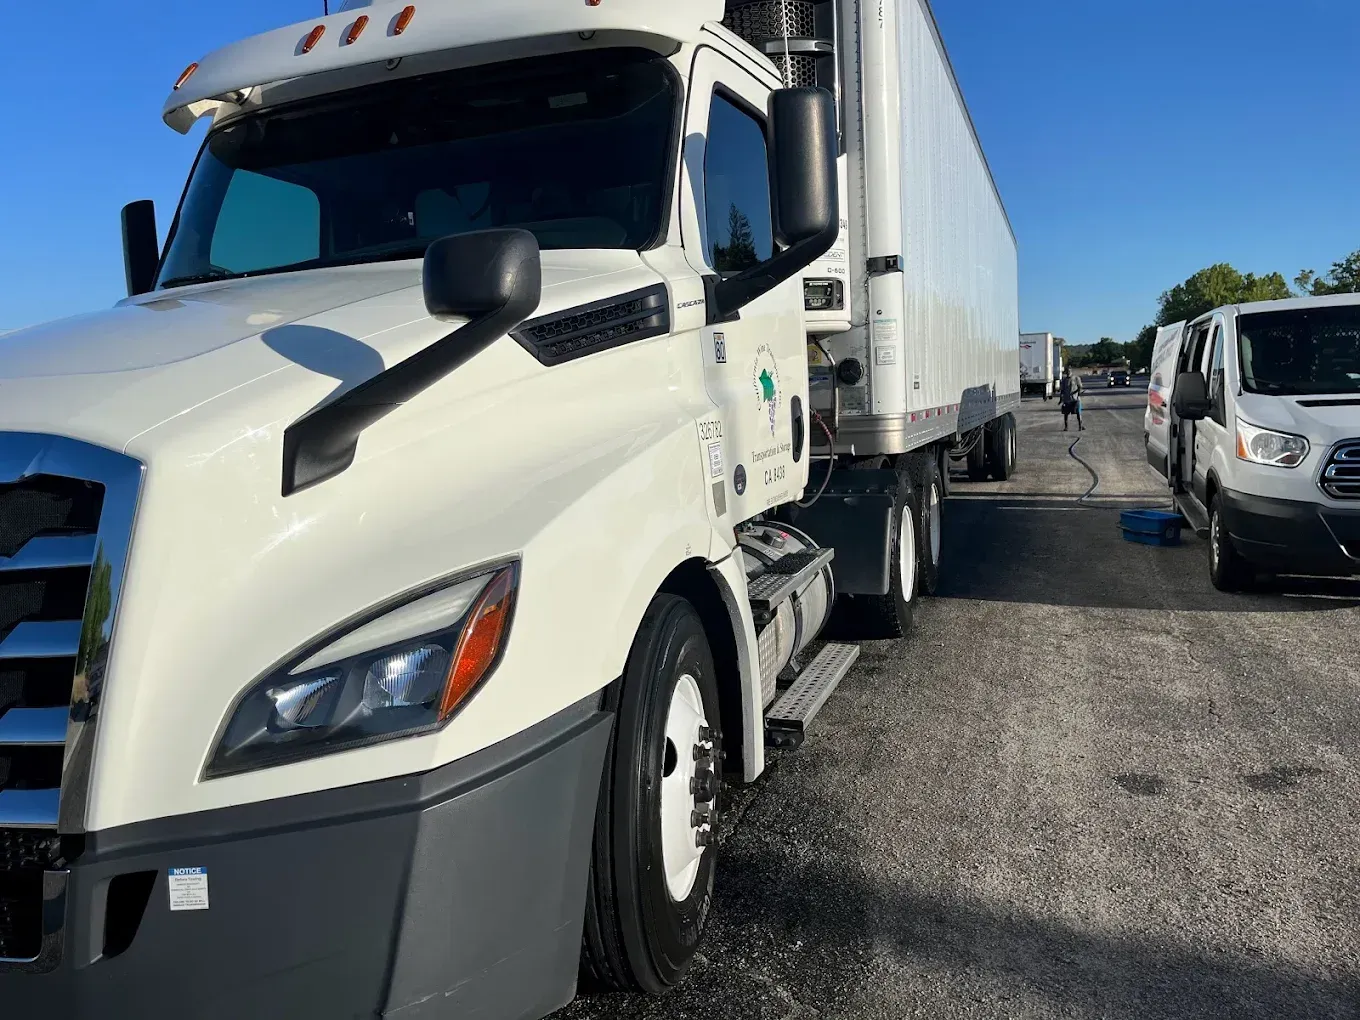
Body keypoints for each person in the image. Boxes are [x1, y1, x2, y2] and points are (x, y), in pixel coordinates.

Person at [1059, 366, 1084, 431]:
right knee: (1066, 414)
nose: (1068, 372)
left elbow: (1080, 387)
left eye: (1069, 371)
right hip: (1067, 399)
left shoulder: (1076, 378)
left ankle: (1080, 426)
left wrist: (1077, 393)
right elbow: (1062, 390)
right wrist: (1061, 399)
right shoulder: (1064, 380)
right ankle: (1066, 427)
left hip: (1075, 399)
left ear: (1071, 371)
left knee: (1078, 413)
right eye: (1067, 371)